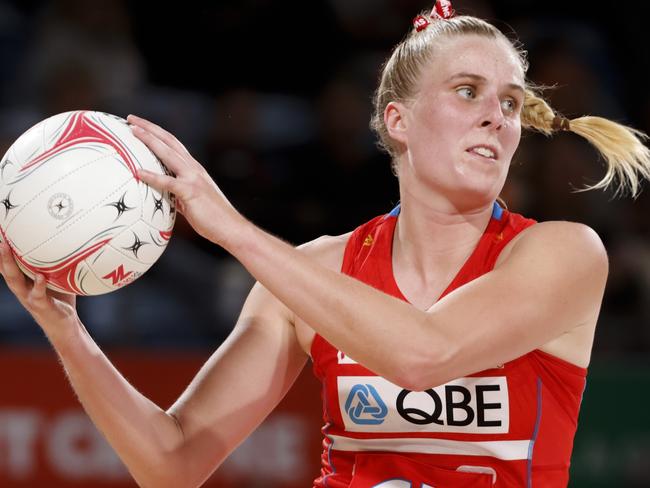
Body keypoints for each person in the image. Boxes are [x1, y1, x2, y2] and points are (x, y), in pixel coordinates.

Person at [2, 2, 650, 487]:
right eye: (467, 91)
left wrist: (231, 228)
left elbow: (424, 355)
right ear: (398, 120)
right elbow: (173, 462)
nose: (496, 115)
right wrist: (67, 333)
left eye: (510, 103)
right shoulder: (313, 272)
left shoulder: (562, 254)